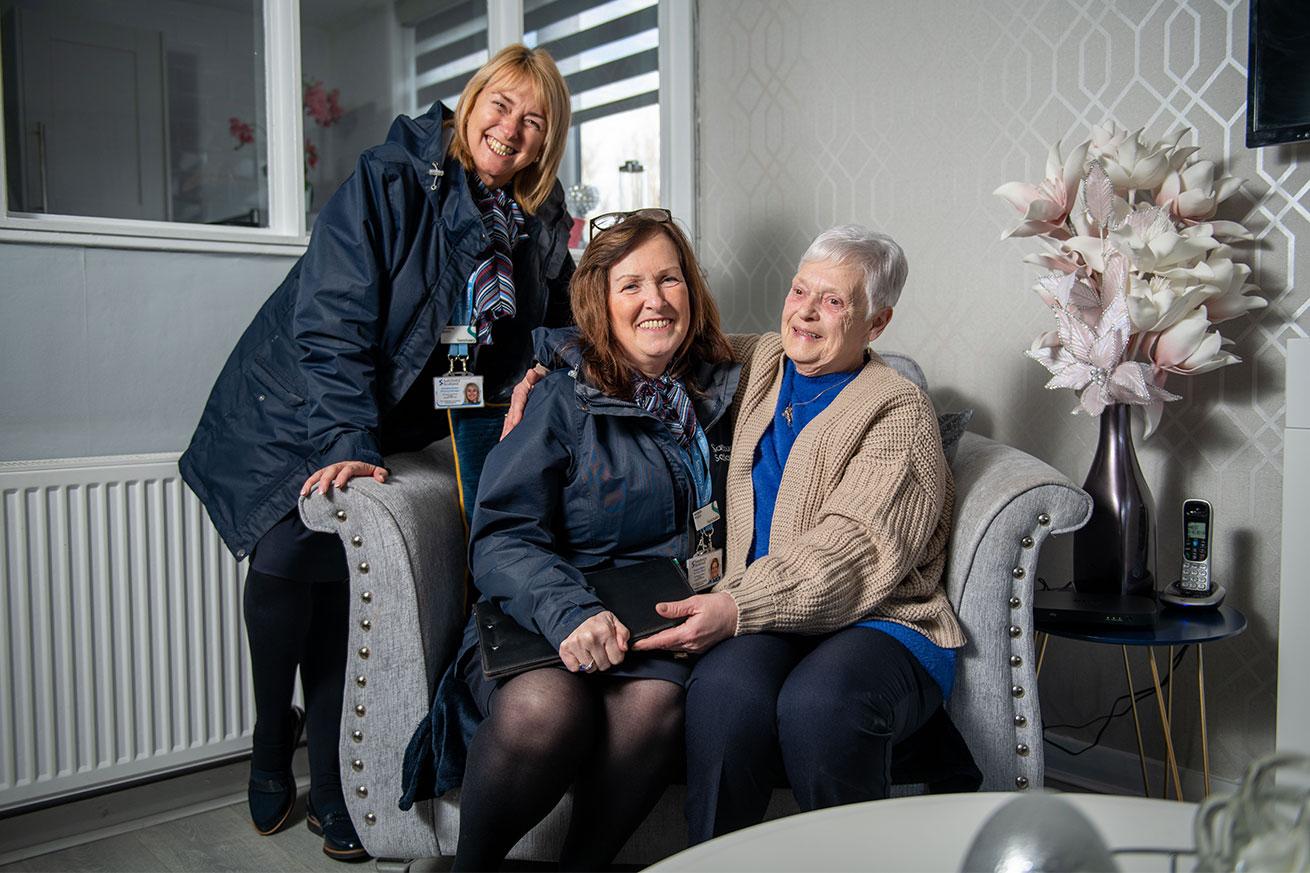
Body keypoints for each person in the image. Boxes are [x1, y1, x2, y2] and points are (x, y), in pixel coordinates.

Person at [179, 44, 574, 861]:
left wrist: (550, 372)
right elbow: (334, 317)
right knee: (289, 559)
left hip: (382, 417)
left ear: (549, 140)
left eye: (534, 120)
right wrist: (345, 441)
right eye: (500, 105)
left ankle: (327, 782)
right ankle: (268, 732)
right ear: (470, 104)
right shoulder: (392, 175)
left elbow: (540, 324)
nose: (512, 129)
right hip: (301, 402)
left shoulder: (532, 221)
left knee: (337, 574)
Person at [399, 210, 739, 870]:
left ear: (691, 293)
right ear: (601, 304)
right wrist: (570, 612)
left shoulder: (722, 392)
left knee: (656, 701)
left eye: (669, 280)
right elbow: (500, 537)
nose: (654, 300)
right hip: (546, 611)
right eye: (631, 285)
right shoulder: (561, 397)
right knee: (547, 708)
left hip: (654, 622)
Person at [630, 224, 975, 842]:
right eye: (799, 291)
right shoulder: (761, 362)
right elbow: (650, 347)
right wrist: (549, 364)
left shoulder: (899, 410)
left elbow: (853, 551)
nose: (806, 313)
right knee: (725, 699)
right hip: (766, 616)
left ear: (877, 322)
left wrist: (735, 606)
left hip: (882, 619)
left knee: (820, 707)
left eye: (835, 301)